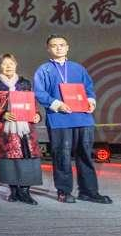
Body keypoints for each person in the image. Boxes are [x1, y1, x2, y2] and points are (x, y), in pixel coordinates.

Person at [33, 35, 111, 204]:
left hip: (83, 118)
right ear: (48, 49)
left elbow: (89, 88)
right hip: (59, 119)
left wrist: (91, 101)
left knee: (85, 155)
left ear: (67, 47)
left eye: (62, 45)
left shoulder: (78, 68)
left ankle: (89, 191)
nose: (58, 48)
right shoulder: (44, 70)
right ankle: (64, 191)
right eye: (54, 45)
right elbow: (39, 93)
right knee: (62, 155)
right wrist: (57, 104)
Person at [0, 53, 42, 205]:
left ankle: (25, 192)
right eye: (4, 64)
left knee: (27, 158)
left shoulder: (25, 83)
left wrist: (37, 115)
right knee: (9, 160)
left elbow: (32, 104)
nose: (8, 66)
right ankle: (14, 191)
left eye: (11, 63)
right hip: (5, 129)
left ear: (16, 64)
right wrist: (2, 113)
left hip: (25, 129)